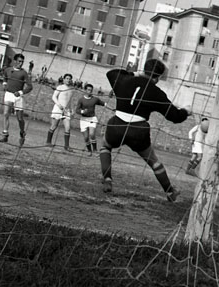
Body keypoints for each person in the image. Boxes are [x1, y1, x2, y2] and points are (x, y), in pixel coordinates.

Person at [100, 59, 190, 200]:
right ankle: (170, 191)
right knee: (153, 161)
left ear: (144, 70)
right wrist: (186, 111)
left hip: (117, 125)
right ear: (158, 77)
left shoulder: (124, 80)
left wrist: (135, 73)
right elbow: (175, 117)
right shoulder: (157, 93)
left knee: (105, 147)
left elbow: (111, 73)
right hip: (138, 130)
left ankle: (107, 179)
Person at [0, 53, 32, 145]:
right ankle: (5, 135)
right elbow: (5, 77)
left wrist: (20, 92)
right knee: (6, 113)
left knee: (20, 118)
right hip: (8, 94)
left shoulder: (24, 73)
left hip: (18, 97)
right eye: (19, 61)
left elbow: (30, 86)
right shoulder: (8, 70)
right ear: (15, 61)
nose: (21, 63)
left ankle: (22, 132)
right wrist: (4, 84)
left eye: (22, 62)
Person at [74, 83, 106, 156]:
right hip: (83, 119)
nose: (90, 91)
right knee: (86, 138)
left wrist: (113, 108)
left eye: (91, 90)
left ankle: (95, 150)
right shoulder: (81, 100)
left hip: (92, 118)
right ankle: (89, 151)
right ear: (85, 90)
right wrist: (83, 111)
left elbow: (104, 104)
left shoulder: (95, 99)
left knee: (92, 134)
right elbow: (77, 110)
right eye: (88, 90)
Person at [46, 74, 76, 151]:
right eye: (67, 78)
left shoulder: (71, 90)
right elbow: (54, 97)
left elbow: (70, 101)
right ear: (64, 79)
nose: (68, 80)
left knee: (68, 128)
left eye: (70, 79)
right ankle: (48, 142)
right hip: (58, 109)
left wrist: (72, 109)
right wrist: (59, 105)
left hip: (66, 111)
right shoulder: (60, 87)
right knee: (54, 126)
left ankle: (66, 146)